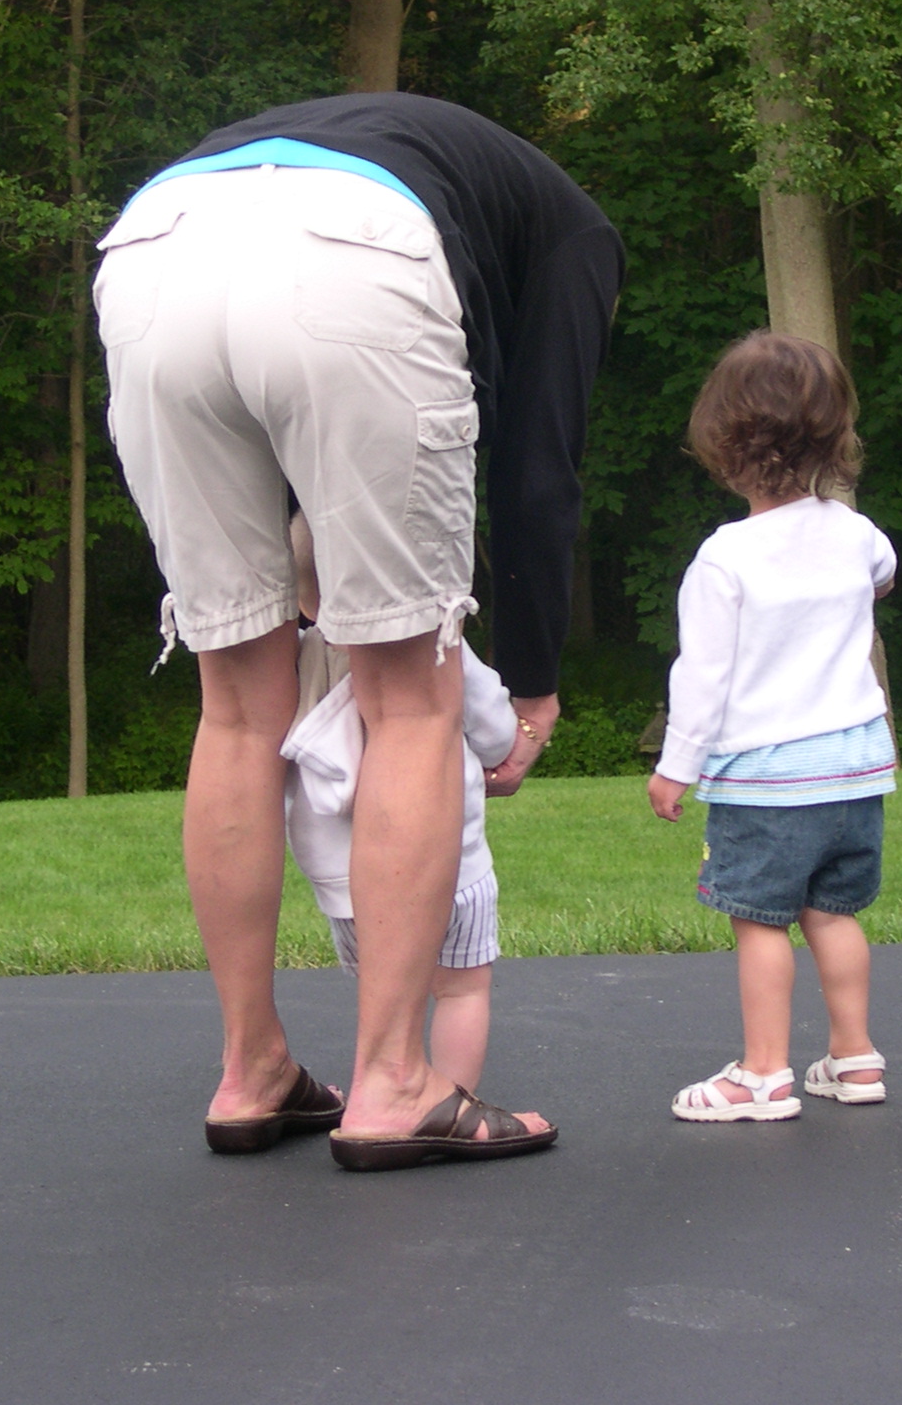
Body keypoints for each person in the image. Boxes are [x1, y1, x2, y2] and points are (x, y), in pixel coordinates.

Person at [94, 92, 622, 1168]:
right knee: (410, 701)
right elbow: (536, 468)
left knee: (236, 707)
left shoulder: (434, 153)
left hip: (154, 245)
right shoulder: (579, 234)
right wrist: (529, 678)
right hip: (357, 250)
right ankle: (392, 1082)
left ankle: (253, 1073)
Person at [646, 332, 896, 1121]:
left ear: (723, 444)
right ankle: (855, 1059)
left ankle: (762, 1075)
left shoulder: (726, 559)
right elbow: (884, 576)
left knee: (760, 922)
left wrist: (675, 765)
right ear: (834, 437)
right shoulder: (854, 533)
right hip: (855, 770)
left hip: (767, 778)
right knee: (834, 912)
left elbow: (704, 677)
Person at [280, 514, 511, 1095]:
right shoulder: (438, 648)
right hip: (450, 868)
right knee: (462, 989)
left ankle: (379, 1084)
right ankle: (450, 1100)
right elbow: (495, 731)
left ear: (305, 596)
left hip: (345, 883)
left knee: (384, 991)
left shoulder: (297, 664)